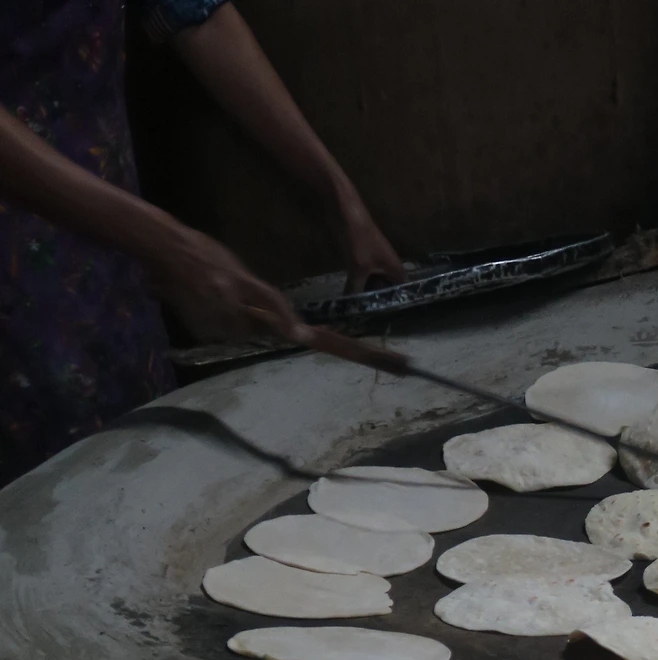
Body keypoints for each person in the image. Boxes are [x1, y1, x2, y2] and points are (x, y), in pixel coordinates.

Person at [0, 0, 402, 485]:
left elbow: (196, 12)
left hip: (113, 266)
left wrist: (338, 197)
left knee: (139, 483)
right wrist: (170, 244)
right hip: (23, 283)